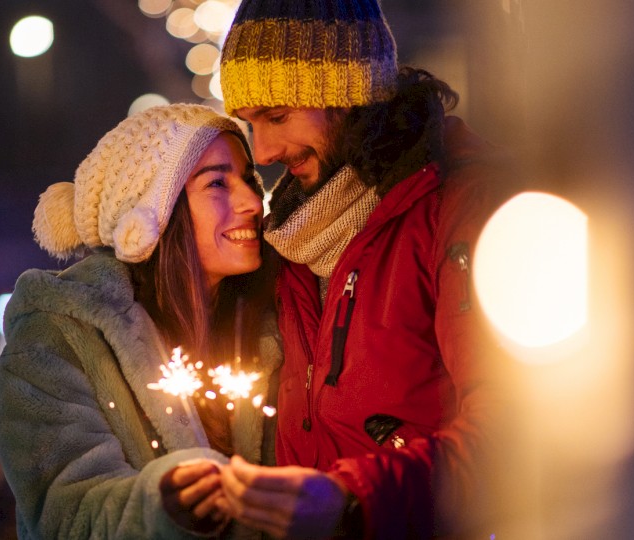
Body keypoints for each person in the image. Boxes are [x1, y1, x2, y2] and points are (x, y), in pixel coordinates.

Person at [215, 1, 522, 538]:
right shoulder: (295, 234)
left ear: (348, 93)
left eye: (278, 115)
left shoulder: (463, 204)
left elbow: (517, 429)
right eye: (250, 123)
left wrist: (350, 500)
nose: (262, 151)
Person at [0, 103, 282, 539]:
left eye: (248, 178)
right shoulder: (54, 339)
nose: (252, 201)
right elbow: (66, 513)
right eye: (217, 183)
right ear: (150, 213)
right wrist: (165, 505)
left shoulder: (270, 321)